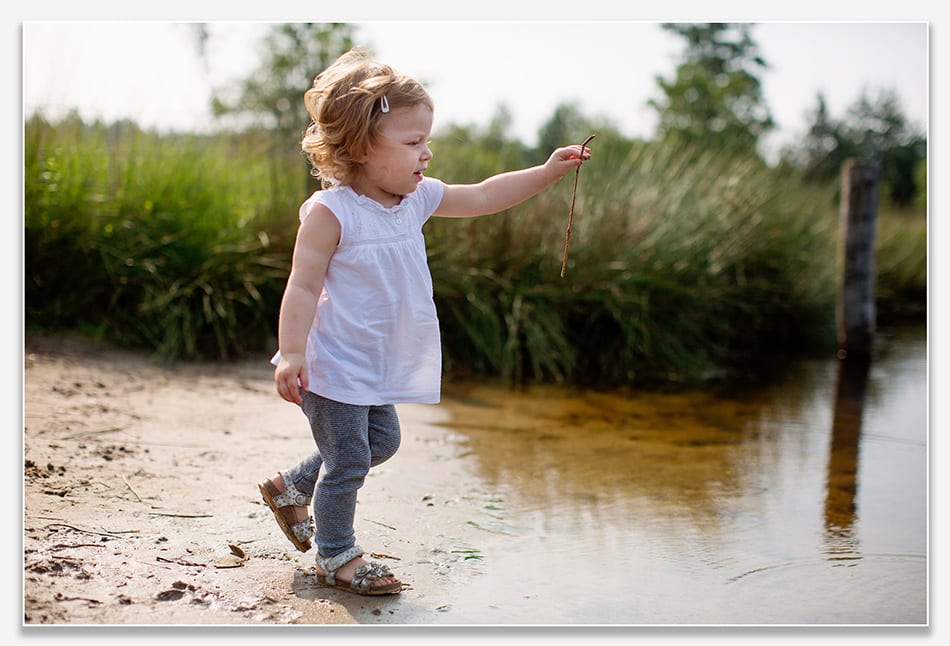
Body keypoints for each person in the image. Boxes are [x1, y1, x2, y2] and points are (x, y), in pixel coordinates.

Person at [257, 46, 591, 596]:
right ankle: (337, 554)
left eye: (427, 141)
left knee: (381, 442)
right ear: (362, 147)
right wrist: (291, 352)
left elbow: (484, 195)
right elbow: (302, 285)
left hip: (376, 360)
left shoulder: (415, 200)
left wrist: (547, 172)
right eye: (413, 143)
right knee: (349, 461)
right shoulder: (331, 213)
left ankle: (291, 485)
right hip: (331, 362)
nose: (427, 154)